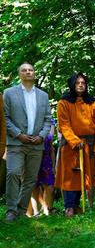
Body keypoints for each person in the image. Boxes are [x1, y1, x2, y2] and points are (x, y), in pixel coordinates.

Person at [3, 63, 52, 221]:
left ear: (34, 73)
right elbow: (5, 117)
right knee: (13, 172)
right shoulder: (9, 93)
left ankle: (21, 210)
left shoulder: (43, 95)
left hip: (36, 143)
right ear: (20, 74)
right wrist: (18, 134)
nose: (28, 72)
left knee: (31, 179)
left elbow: (47, 119)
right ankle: (11, 210)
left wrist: (42, 136)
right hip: (16, 143)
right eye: (24, 70)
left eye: (30, 70)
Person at [55, 73, 95, 216]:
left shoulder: (93, 102)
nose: (80, 85)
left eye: (83, 82)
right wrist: (75, 141)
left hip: (88, 144)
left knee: (83, 175)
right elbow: (64, 125)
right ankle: (69, 206)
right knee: (71, 176)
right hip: (70, 146)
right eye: (77, 83)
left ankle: (76, 205)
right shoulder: (63, 102)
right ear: (72, 84)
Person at [28, 119, 56, 217]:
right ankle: (36, 212)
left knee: (50, 187)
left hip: (46, 161)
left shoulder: (50, 123)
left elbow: (52, 148)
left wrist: (54, 166)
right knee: (34, 187)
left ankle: (49, 209)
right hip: (34, 159)